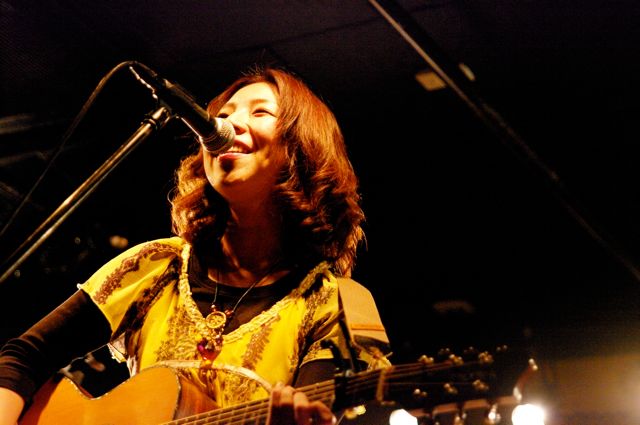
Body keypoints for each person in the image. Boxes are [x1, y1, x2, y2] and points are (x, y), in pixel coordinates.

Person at [0, 65, 391, 424]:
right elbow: (22, 357)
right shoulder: (157, 265)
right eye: (223, 115)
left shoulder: (330, 304)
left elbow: (318, 410)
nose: (228, 123)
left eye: (260, 112)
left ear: (303, 147)